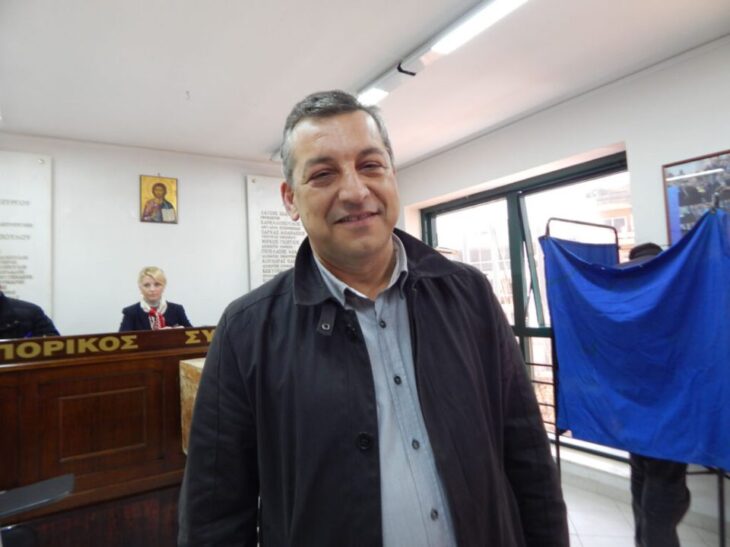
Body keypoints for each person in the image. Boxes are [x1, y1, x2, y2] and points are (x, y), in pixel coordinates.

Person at [179, 90, 568, 546]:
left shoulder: (470, 295)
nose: (355, 191)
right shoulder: (247, 331)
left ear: (392, 175)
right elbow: (215, 515)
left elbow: (528, 457)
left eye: (370, 165)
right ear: (290, 199)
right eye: (323, 174)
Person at [620, 243, 690, 547]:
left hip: (644, 416)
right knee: (655, 501)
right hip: (664, 416)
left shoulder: (628, 302)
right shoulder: (673, 294)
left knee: (647, 501)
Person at [119, 266, 191, 331]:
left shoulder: (177, 310)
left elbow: (194, 336)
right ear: (140, 288)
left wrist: (180, 333)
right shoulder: (130, 312)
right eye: (147, 285)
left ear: (164, 286)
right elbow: (121, 340)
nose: (152, 289)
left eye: (157, 284)